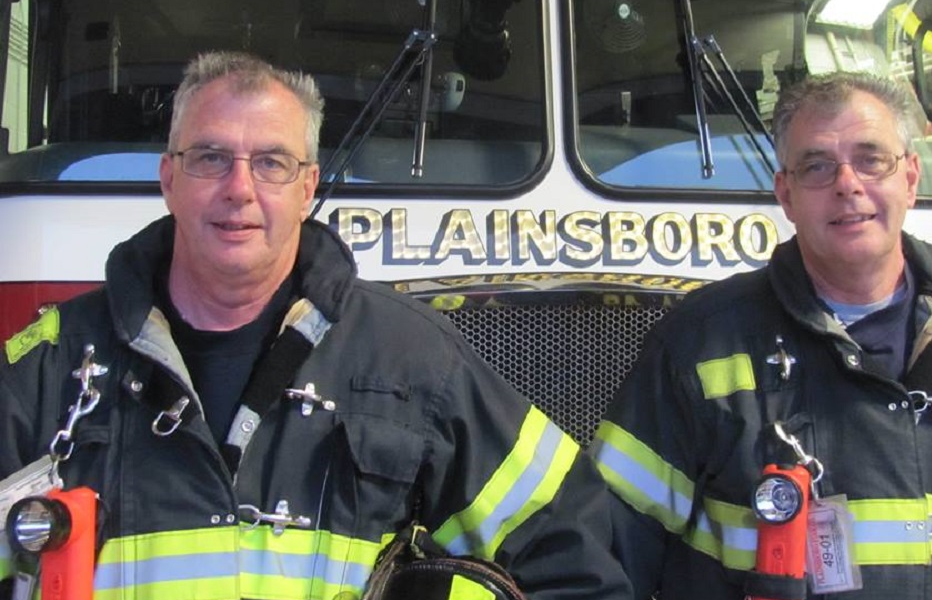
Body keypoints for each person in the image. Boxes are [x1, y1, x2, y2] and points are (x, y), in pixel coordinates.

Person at [0, 51, 630, 600]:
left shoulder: (415, 362)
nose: (239, 189)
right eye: (211, 158)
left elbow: (571, 560)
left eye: (271, 163)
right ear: (169, 179)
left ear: (308, 188)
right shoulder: (47, 369)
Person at [592, 70, 932, 599]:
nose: (847, 183)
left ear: (909, 179)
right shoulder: (696, 349)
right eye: (817, 166)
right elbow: (605, 553)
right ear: (786, 195)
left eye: (871, 159)